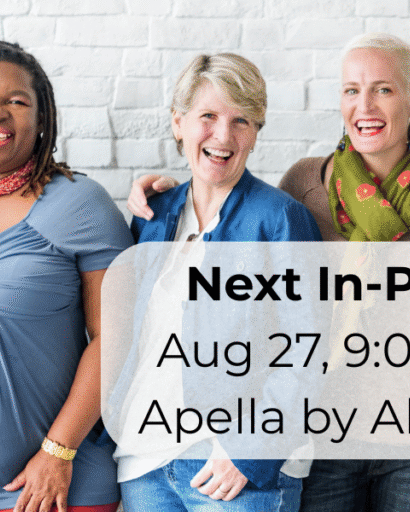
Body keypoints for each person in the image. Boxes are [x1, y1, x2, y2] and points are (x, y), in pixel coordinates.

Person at [126, 33, 410, 512]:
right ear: (178, 123)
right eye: (351, 90)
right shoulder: (307, 182)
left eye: (383, 89)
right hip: (329, 431)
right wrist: (159, 195)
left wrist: (252, 449)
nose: (364, 104)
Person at [0, 41, 132, 512]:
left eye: (16, 102)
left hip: (48, 492)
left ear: (42, 120)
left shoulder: (78, 204)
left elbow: (118, 339)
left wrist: (58, 451)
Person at [116, 52, 321, 511]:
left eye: (241, 121)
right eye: (207, 116)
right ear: (178, 123)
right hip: (144, 464)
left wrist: (249, 453)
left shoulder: (281, 218)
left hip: (233, 471)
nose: (223, 136)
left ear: (255, 132)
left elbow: (306, 346)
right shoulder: (153, 214)